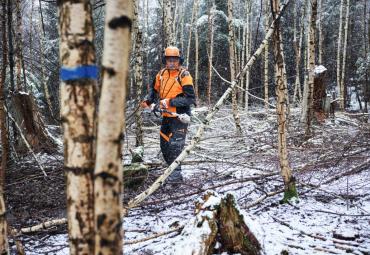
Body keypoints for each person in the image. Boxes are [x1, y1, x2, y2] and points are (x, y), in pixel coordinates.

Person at [141, 46, 195, 182]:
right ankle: (171, 173)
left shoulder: (184, 75)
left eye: (174, 60)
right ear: (165, 60)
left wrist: (169, 101)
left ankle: (175, 178)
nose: (172, 63)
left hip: (180, 117)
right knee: (164, 146)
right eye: (169, 60)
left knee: (175, 148)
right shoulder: (161, 74)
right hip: (166, 116)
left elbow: (190, 98)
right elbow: (153, 91)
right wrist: (148, 101)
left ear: (179, 60)